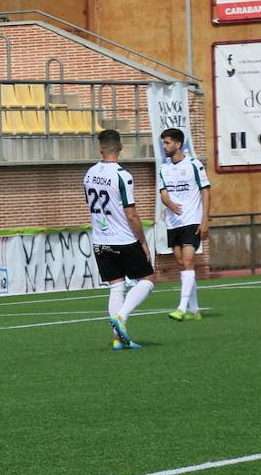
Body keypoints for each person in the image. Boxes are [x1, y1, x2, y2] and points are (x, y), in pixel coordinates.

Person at [84, 129, 155, 350]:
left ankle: (118, 338)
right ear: (121, 147)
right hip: (122, 239)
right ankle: (121, 317)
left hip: (99, 239)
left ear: (100, 148)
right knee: (148, 279)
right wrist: (142, 241)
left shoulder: (89, 173)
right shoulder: (122, 175)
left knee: (116, 286)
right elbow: (131, 213)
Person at [158, 128, 211, 321]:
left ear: (178, 144)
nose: (164, 146)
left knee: (188, 262)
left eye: (167, 143)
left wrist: (205, 219)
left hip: (191, 220)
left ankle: (181, 308)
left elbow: (205, 190)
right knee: (182, 264)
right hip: (173, 223)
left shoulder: (194, 164)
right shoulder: (164, 168)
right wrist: (168, 202)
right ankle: (195, 310)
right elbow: (163, 191)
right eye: (163, 143)